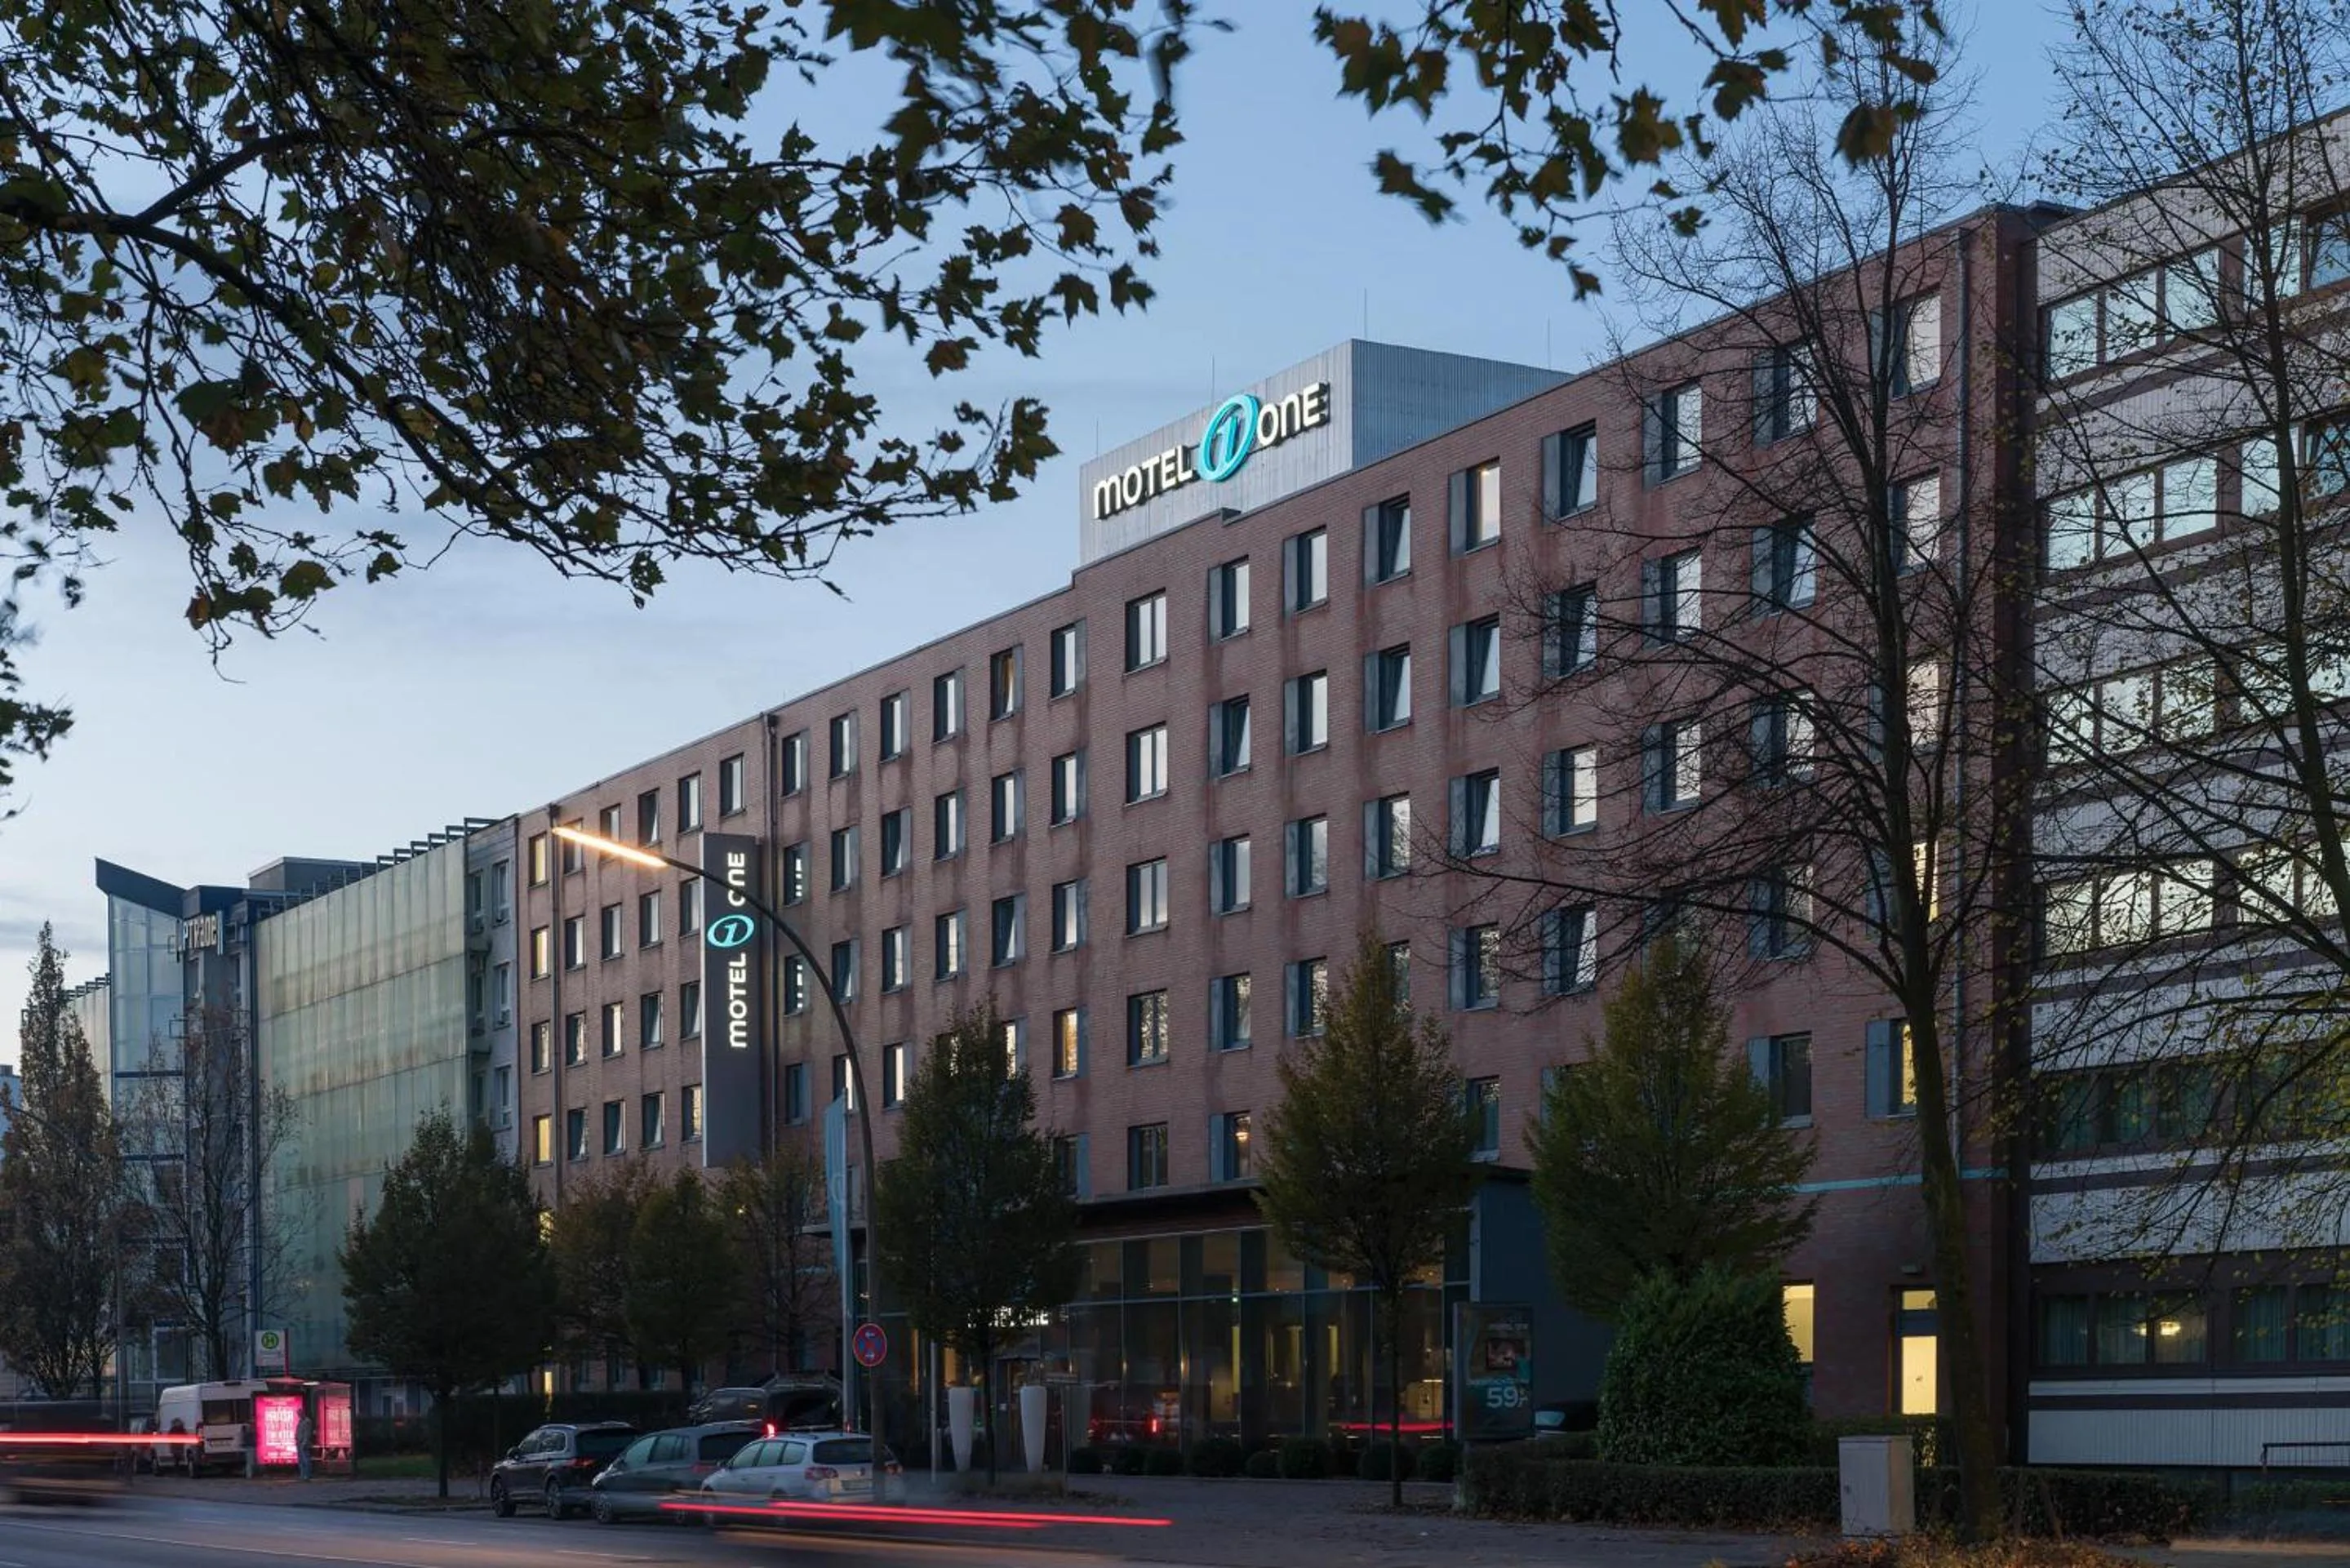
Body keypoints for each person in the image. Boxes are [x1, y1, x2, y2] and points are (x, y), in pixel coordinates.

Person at [295, 1409, 314, 1482]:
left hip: (304, 1443)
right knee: (301, 1461)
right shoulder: (300, 1421)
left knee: (306, 1460)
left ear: (303, 1413)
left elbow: (307, 1434)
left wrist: (304, 1443)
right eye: (298, 1414)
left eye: (300, 1413)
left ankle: (307, 1475)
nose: (299, 1415)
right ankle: (302, 1475)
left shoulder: (307, 1422)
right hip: (299, 1443)